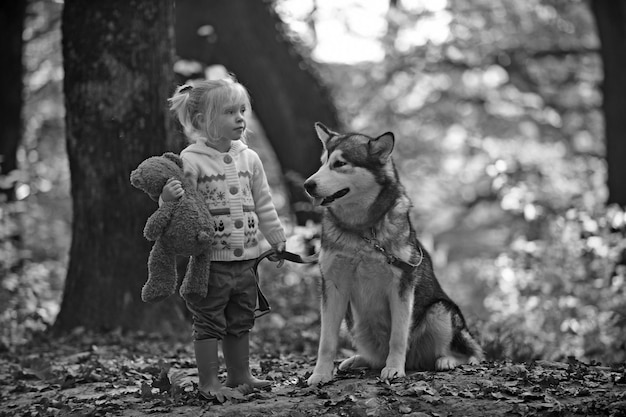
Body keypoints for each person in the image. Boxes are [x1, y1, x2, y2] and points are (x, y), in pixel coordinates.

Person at [161, 76, 286, 399]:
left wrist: (275, 237)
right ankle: (208, 382)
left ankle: (239, 375)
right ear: (203, 121)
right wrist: (167, 198)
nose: (240, 118)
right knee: (209, 320)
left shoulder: (250, 159)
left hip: (246, 260)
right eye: (230, 112)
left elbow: (264, 203)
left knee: (240, 317)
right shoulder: (191, 159)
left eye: (242, 110)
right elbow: (182, 206)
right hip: (210, 263)